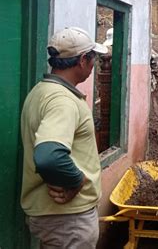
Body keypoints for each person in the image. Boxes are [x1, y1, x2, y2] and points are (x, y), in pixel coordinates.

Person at [21, 27, 107, 248]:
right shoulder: (63, 102)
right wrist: (75, 181)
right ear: (82, 61)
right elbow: (49, 156)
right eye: (93, 58)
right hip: (69, 219)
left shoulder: (40, 91)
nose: (94, 64)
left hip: (55, 217)